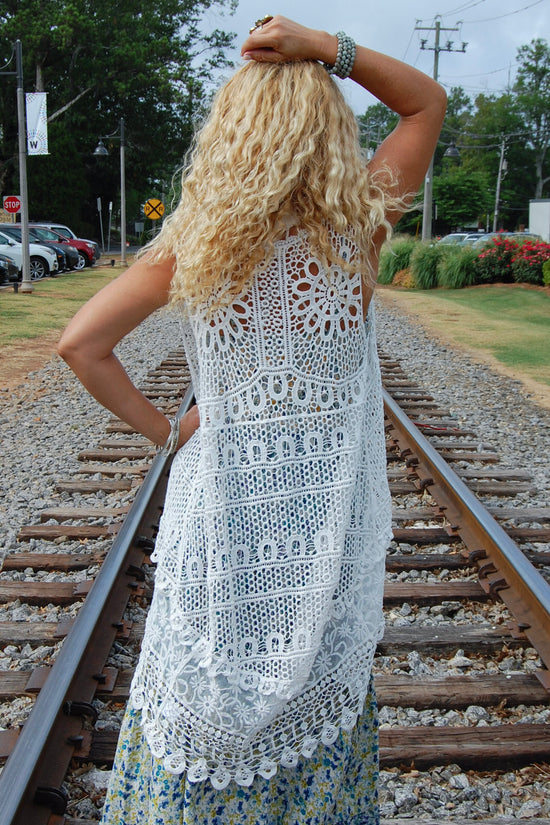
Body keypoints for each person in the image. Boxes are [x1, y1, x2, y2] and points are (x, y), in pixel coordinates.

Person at [58, 15, 446, 825]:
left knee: (202, 698)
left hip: (222, 521)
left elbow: (81, 344)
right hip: (324, 529)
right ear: (328, 136)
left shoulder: (194, 245)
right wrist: (325, 49)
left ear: (232, 134)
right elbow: (425, 104)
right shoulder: (360, 232)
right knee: (316, 711)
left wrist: (170, 430)